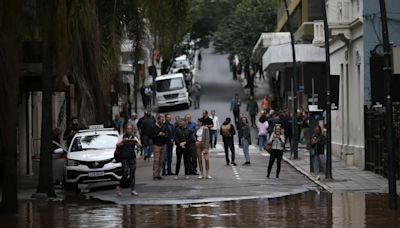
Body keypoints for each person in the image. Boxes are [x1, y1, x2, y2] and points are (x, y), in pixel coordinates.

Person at [116, 123, 141, 196]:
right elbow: (117, 145)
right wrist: (123, 142)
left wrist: (137, 143)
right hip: (124, 157)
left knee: (132, 173)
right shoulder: (121, 137)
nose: (129, 130)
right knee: (125, 173)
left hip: (132, 157)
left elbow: (139, 145)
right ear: (125, 129)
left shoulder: (134, 137)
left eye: (130, 129)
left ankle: (132, 190)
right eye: (128, 129)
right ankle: (120, 187)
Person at [151, 114, 168, 180]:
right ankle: (155, 174)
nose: (162, 121)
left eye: (163, 120)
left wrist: (164, 135)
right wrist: (158, 134)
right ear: (158, 120)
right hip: (156, 145)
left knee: (161, 160)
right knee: (156, 160)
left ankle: (159, 174)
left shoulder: (164, 126)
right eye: (161, 120)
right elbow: (151, 136)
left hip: (163, 144)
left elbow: (167, 135)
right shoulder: (153, 127)